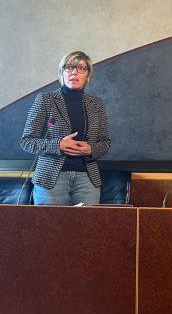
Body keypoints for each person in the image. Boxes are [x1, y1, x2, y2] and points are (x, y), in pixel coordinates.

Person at [20, 51, 110, 205]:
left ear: (87, 75)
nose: (74, 72)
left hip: (87, 180)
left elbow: (105, 143)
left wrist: (91, 150)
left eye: (81, 68)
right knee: (50, 222)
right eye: (69, 67)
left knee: (88, 221)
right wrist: (59, 145)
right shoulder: (45, 100)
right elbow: (27, 141)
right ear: (62, 72)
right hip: (50, 179)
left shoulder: (97, 104)